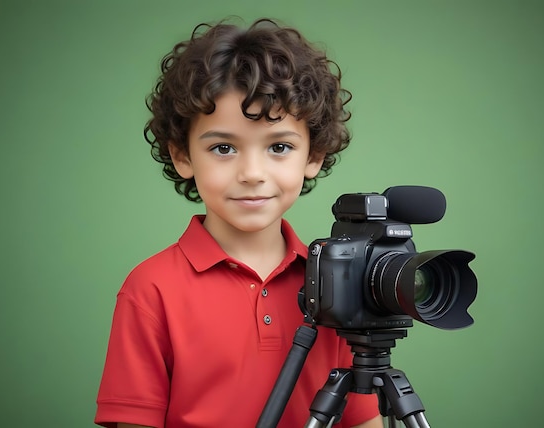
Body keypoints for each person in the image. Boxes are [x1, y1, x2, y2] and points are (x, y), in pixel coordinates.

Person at [95, 17, 383, 428]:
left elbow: (360, 419)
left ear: (313, 156)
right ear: (182, 156)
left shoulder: (337, 283)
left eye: (279, 146)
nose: (252, 172)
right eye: (224, 147)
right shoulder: (150, 289)